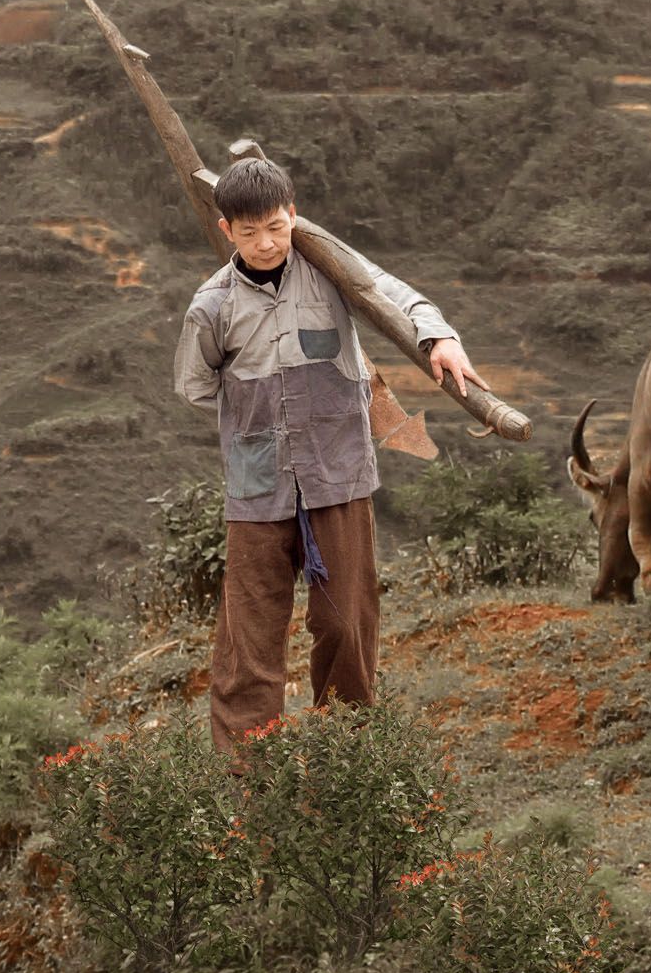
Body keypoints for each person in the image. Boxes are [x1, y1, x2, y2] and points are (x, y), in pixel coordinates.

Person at [172, 151, 479, 742]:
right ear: (226, 230)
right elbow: (195, 388)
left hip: (338, 476)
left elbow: (397, 294)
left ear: (293, 214)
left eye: (276, 226)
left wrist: (439, 336)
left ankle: (345, 755)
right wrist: (256, 420)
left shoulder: (331, 271)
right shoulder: (211, 306)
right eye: (249, 231)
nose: (266, 243)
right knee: (250, 640)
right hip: (258, 488)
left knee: (347, 627)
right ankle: (247, 780)